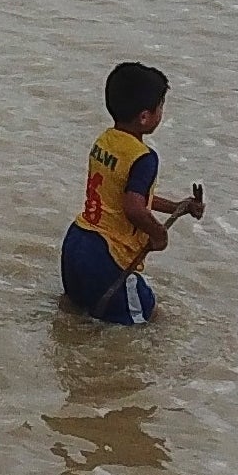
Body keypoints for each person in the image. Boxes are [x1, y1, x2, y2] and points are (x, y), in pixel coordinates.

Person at [60, 61, 205, 325]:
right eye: (161, 106)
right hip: (107, 257)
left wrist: (177, 207)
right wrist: (159, 234)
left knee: (77, 317)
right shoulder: (144, 157)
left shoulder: (104, 141)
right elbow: (133, 207)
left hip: (76, 243)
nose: (162, 112)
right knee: (152, 322)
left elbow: (123, 195)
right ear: (145, 117)